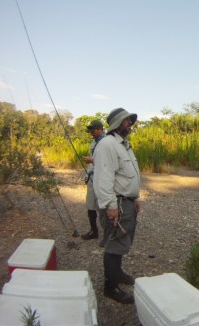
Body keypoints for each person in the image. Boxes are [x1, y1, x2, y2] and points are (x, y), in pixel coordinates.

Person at [93, 107, 141, 304]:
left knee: (122, 241)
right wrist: (111, 206)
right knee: (114, 244)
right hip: (117, 204)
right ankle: (110, 287)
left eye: (130, 120)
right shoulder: (107, 145)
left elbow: (129, 175)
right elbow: (103, 179)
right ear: (116, 123)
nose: (129, 123)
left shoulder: (124, 145)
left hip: (127, 203)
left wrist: (136, 197)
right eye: (126, 120)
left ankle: (118, 273)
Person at [81, 119, 105, 242]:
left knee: (103, 207)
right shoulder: (93, 142)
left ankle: (108, 235)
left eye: (93, 131)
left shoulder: (107, 142)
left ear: (101, 129)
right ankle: (93, 231)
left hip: (101, 179)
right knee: (90, 206)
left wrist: (91, 160)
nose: (91, 133)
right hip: (91, 177)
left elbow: (107, 162)